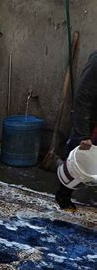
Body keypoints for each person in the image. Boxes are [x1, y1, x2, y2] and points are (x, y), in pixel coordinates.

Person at [55, 50, 97, 211]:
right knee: (77, 158)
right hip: (90, 121)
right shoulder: (96, 63)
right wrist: (83, 135)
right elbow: (82, 97)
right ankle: (63, 196)